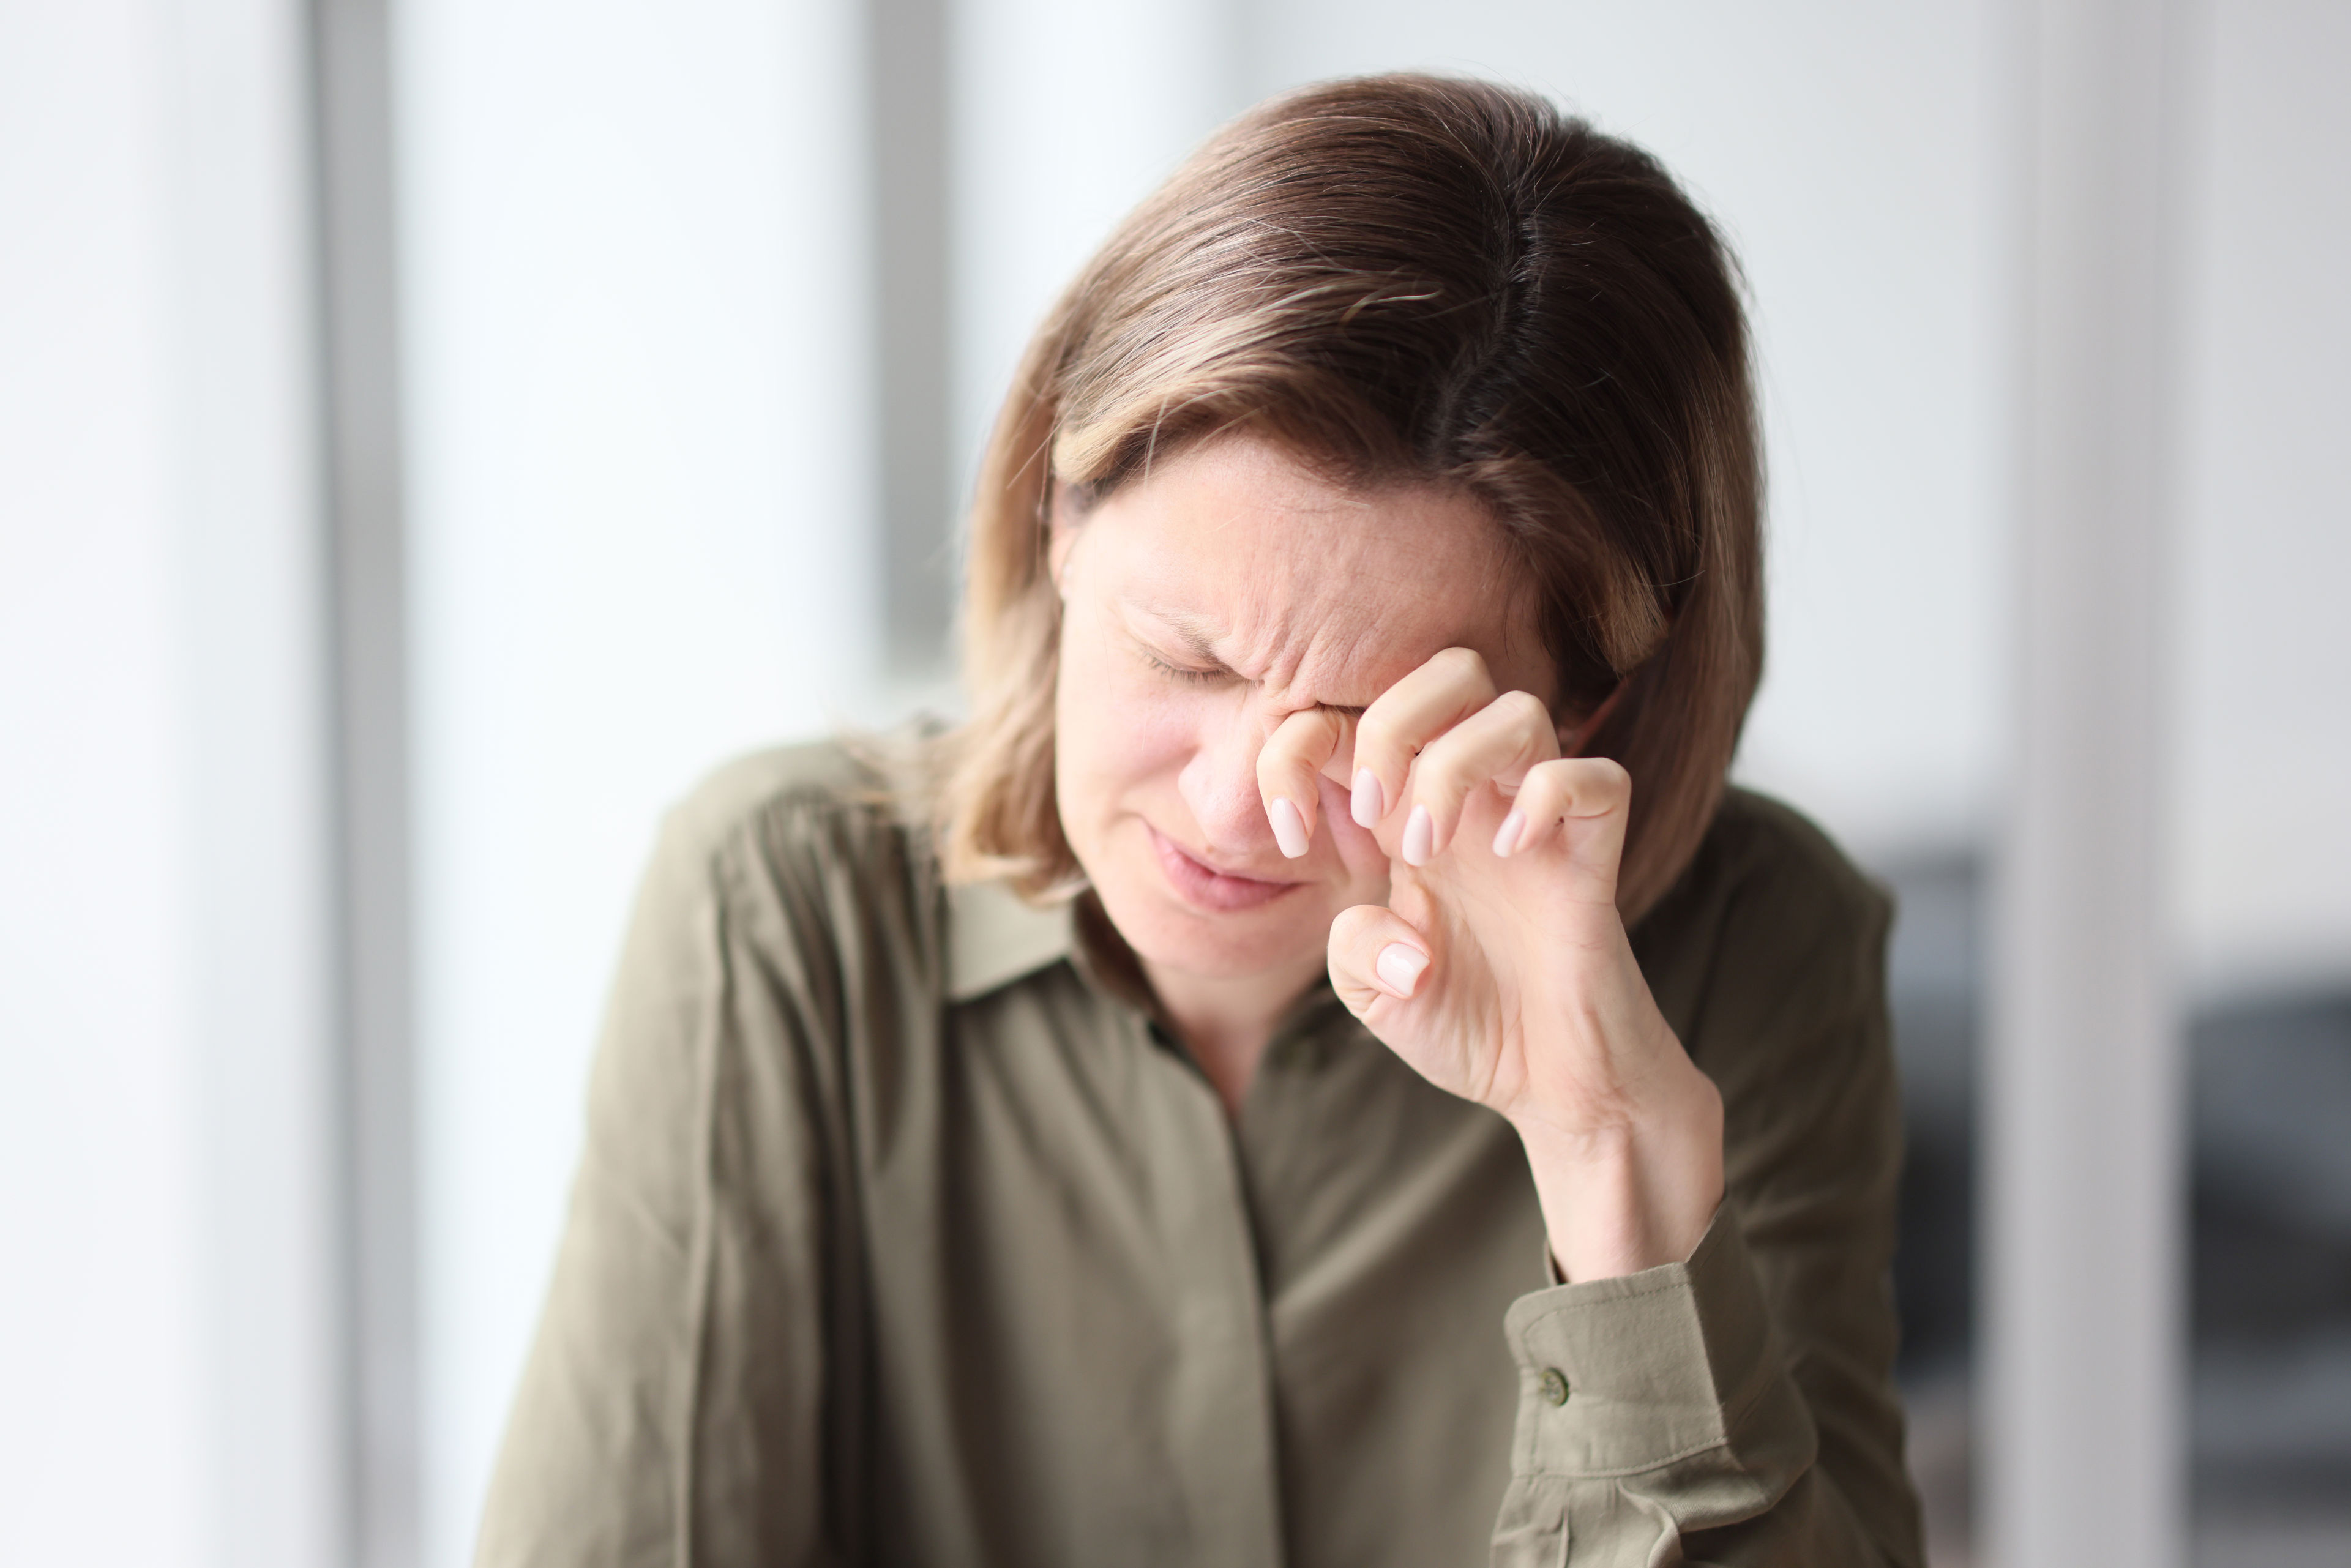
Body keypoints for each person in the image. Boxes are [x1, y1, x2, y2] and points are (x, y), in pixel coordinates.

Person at [476, 73, 1925, 1567]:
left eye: (1368, 723)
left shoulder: (1752, 953)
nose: (1239, 803)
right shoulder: (778, 913)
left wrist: (1612, 1166)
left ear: (1580, 716)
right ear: (1057, 526)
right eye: (1183, 658)